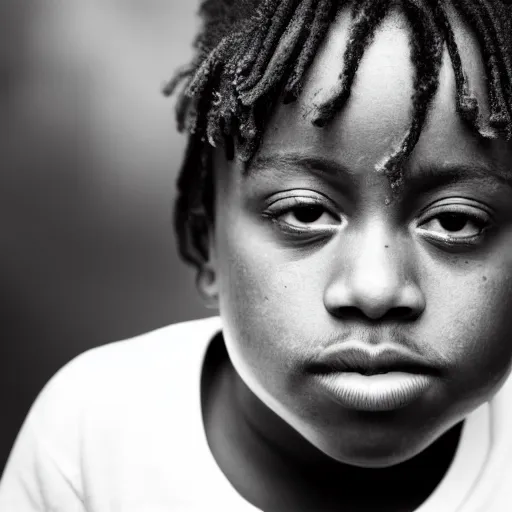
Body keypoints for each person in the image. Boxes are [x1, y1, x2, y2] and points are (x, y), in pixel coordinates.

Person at [1, 0, 512, 510]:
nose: (375, 290)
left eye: (454, 221)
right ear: (207, 245)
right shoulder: (91, 441)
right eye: (306, 214)